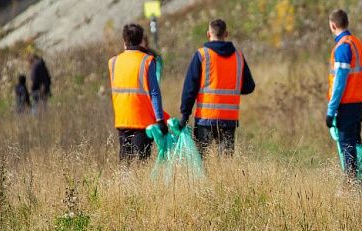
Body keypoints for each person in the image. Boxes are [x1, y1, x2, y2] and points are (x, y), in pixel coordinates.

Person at [178, 19, 255, 157]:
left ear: (209, 34)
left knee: (200, 161)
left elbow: (190, 88)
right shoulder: (238, 57)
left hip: (205, 119)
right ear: (226, 34)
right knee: (225, 162)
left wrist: (185, 115)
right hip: (229, 120)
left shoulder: (202, 55)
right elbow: (249, 87)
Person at [109, 23, 168, 162]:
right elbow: (154, 93)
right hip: (143, 121)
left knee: (125, 162)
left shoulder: (113, 62)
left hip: (122, 119)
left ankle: (122, 184)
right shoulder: (147, 61)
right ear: (141, 40)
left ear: (124, 41)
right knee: (141, 162)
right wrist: (160, 120)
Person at [324, 9, 362, 186]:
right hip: (359, 100)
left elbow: (339, 82)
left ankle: (351, 185)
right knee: (355, 141)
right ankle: (359, 181)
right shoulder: (356, 43)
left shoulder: (343, 47)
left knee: (347, 143)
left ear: (333, 25)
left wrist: (331, 110)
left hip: (347, 102)